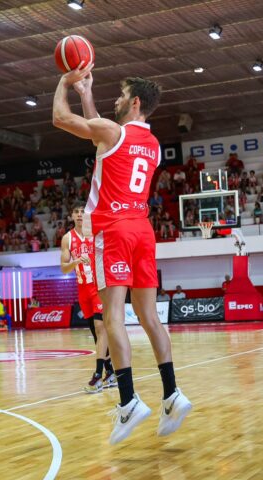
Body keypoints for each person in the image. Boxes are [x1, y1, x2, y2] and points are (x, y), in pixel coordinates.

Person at [53, 63, 191, 445]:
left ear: (135, 103)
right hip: (143, 231)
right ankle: (172, 393)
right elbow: (104, 137)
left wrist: (66, 83)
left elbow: (59, 118)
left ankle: (129, 401)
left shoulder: (113, 132)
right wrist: (87, 95)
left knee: (111, 316)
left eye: (121, 94)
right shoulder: (153, 144)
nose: (117, 98)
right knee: (149, 317)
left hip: (112, 230)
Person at [60, 203, 115, 393]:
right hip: (82, 290)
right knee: (95, 333)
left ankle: (98, 375)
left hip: (98, 287)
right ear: (72, 216)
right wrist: (75, 261)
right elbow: (63, 268)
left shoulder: (95, 235)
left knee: (101, 329)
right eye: (76, 212)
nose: (79, 215)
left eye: (82, 212)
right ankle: (111, 371)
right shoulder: (67, 239)